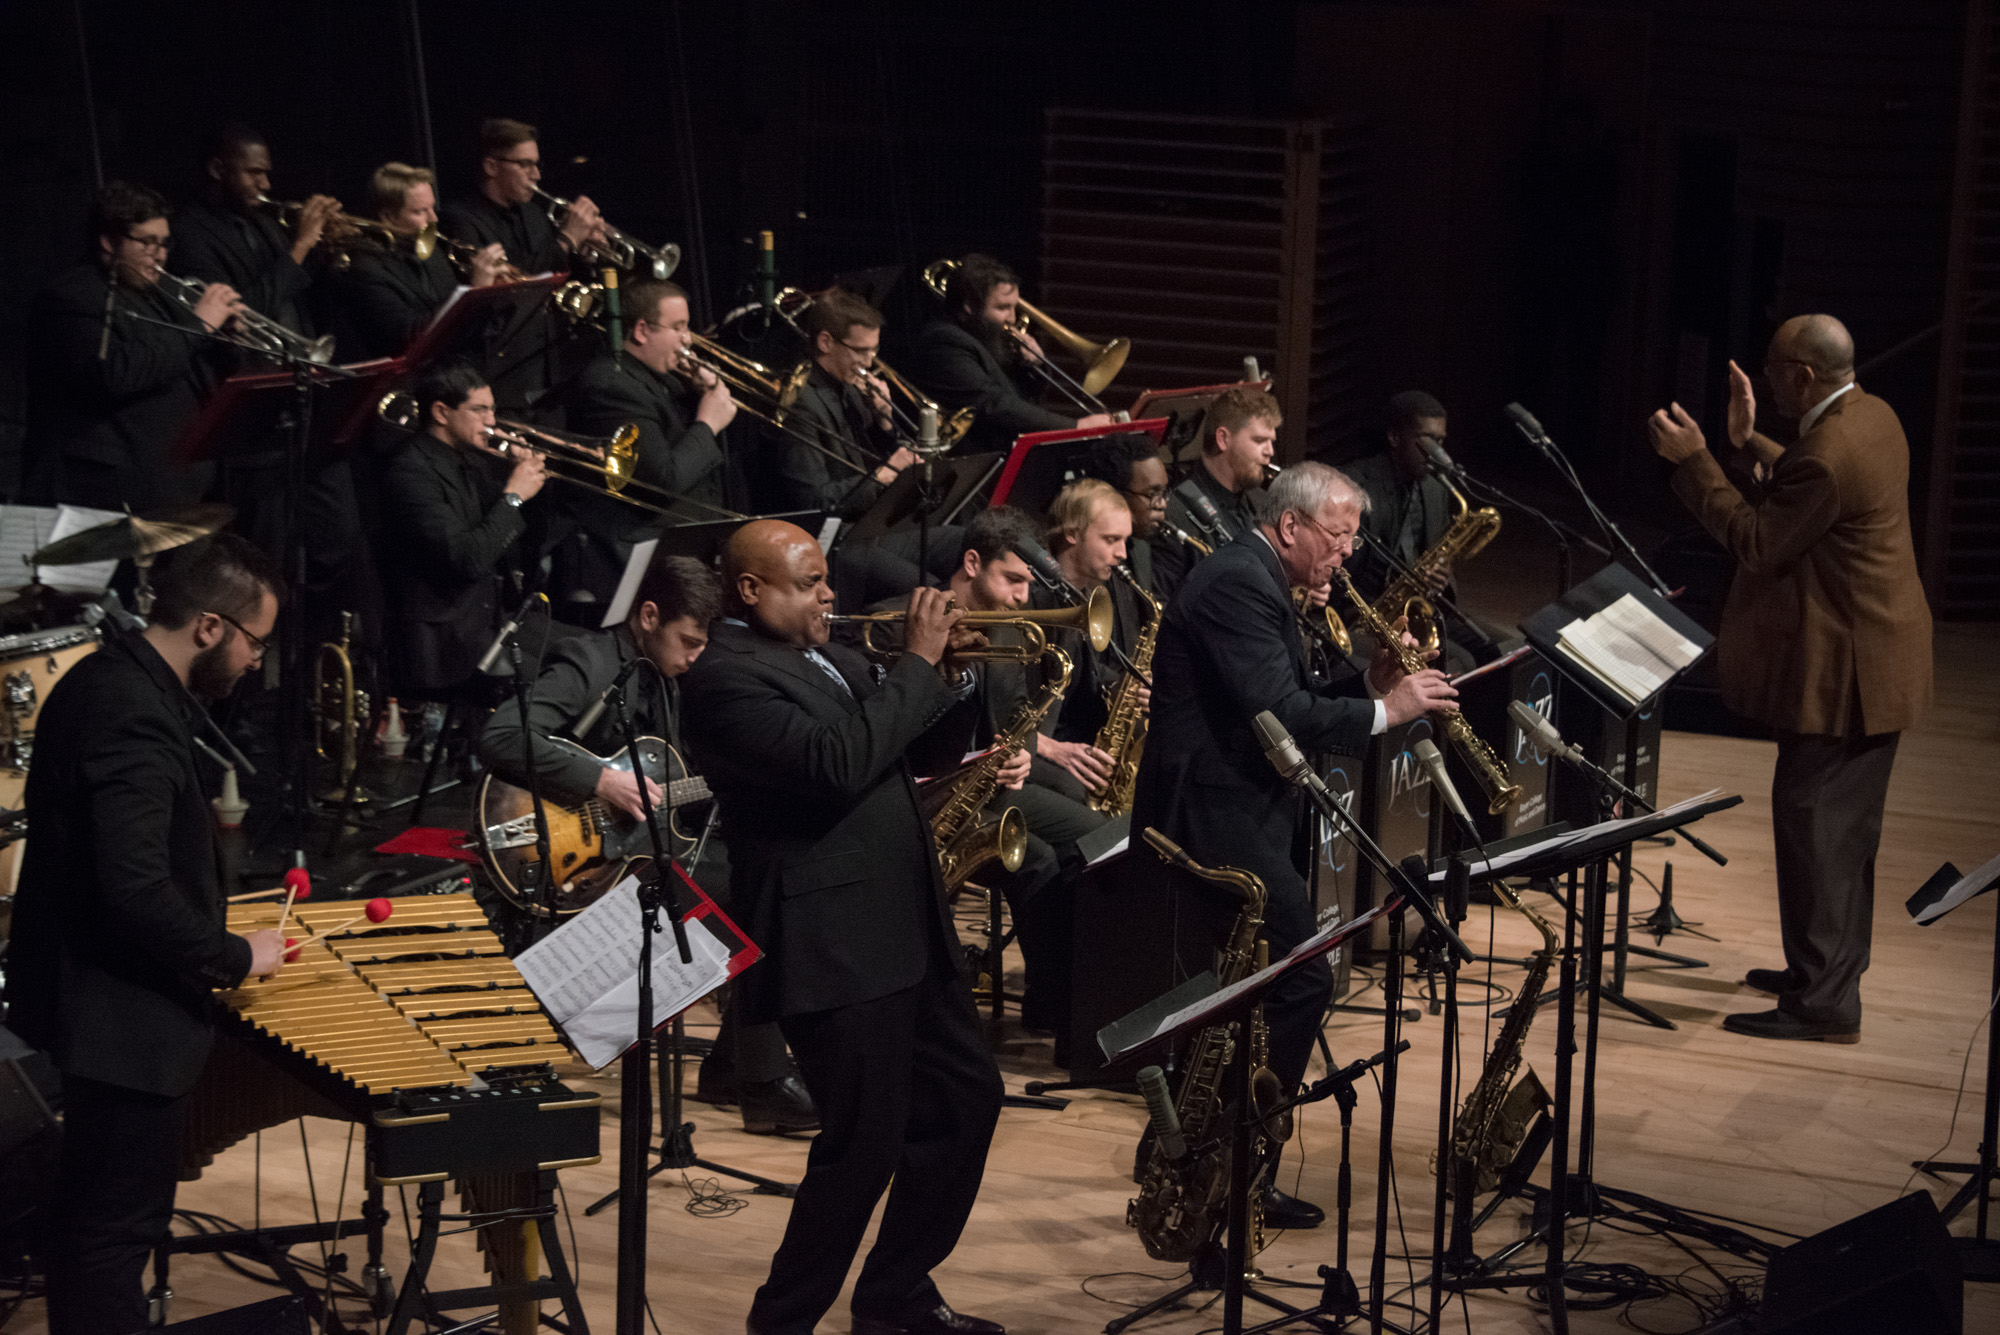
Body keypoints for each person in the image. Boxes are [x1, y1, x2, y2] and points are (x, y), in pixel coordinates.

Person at [681, 520, 1006, 1335]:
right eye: (808, 581)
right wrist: (917, 666)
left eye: (828, 578)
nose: (830, 594)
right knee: (862, 1146)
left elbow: (906, 747)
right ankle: (781, 1320)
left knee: (968, 1098)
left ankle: (896, 1293)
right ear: (751, 590)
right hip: (831, 937)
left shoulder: (832, 654)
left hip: (905, 921)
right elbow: (834, 765)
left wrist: (952, 681)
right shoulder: (722, 678)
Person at [1131, 462, 1458, 1229]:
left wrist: (1368, 686)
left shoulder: (1258, 576)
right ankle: (1231, 1165)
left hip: (1241, 800)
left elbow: (1289, 697)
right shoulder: (1238, 584)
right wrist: (1387, 713)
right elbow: (1276, 710)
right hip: (1208, 811)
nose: (1347, 554)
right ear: (1291, 526)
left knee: (1243, 993)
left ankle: (1192, 1154)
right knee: (1298, 979)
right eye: (1339, 537)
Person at [3, 533, 288, 1335]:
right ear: (209, 626)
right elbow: (130, 888)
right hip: (121, 1019)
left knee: (95, 1225)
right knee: (109, 1233)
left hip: (105, 1004)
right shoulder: (128, 710)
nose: (256, 661)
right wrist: (234, 955)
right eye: (254, 640)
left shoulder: (112, 678)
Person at [1647, 314, 1932, 1042]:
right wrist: (1746, 446)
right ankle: (1825, 972)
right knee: (1842, 835)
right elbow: (1808, 480)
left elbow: (1759, 538)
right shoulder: (1874, 416)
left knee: (1814, 828)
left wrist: (1698, 460)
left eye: (1773, 367)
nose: (1765, 378)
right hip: (1876, 661)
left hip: (1847, 676)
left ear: (1803, 376)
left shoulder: (1830, 452)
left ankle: (1823, 1004)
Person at [476, 551, 815, 1134]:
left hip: (642, 849)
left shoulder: (671, 679)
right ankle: (755, 1080)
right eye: (687, 641)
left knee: (773, 882)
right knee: (759, 894)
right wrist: (600, 779)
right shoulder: (588, 661)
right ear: (649, 615)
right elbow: (503, 735)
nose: (696, 655)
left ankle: (738, 1067)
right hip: (578, 857)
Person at [23, 181, 243, 511]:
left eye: (164, 244)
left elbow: (191, 364)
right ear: (109, 241)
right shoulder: (70, 297)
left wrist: (226, 340)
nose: (159, 256)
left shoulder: (162, 295)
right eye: (147, 243)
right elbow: (112, 373)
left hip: (182, 486)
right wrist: (198, 325)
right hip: (111, 495)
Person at [551, 278, 735, 617]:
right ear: (641, 330)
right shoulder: (612, 384)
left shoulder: (661, 381)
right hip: (628, 564)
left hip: (675, 555)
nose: (687, 340)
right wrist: (708, 422)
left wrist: (699, 395)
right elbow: (660, 482)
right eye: (678, 327)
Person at [378, 360, 547, 695]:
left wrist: (526, 478)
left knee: (589, 653)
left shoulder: (469, 463)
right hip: (447, 647)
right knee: (570, 672)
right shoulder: (409, 472)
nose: (492, 422)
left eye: (493, 410)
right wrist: (513, 496)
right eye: (480, 410)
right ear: (441, 412)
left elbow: (518, 536)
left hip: (488, 623)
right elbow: (467, 559)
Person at [439, 118, 603, 415]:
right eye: (525, 165)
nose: (537, 175)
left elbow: (556, 280)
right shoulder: (460, 220)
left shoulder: (534, 214)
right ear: (491, 167)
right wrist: (566, 241)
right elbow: (514, 285)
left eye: (537, 164)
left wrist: (586, 253)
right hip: (502, 376)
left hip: (549, 370)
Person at [1341, 391, 1498, 672]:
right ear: (1394, 438)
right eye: (1425, 441)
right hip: (1368, 616)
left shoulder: (1435, 486)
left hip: (1419, 607)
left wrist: (1441, 577)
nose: (1437, 453)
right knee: (1458, 663)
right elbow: (1339, 570)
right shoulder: (1354, 486)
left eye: (1440, 441)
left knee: (1494, 648)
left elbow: (1438, 553)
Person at [904, 252, 1111, 454]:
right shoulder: (944, 342)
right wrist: (1075, 426)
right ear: (969, 306)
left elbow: (1023, 398)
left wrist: (1033, 366)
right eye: (1003, 308)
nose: (1013, 318)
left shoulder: (985, 338)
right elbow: (994, 405)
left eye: (1015, 307)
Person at [326, 161, 508, 362]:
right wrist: (474, 293)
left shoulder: (432, 252)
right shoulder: (363, 269)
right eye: (420, 211)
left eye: (432, 208)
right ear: (388, 217)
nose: (434, 219)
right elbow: (409, 338)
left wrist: (493, 295)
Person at [169, 122, 330, 342]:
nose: (265, 184)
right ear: (217, 170)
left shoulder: (263, 223)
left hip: (299, 361)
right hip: (250, 368)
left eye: (265, 173)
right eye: (254, 172)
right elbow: (240, 315)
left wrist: (323, 249)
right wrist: (301, 245)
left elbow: (292, 288)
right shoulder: (188, 233)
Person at [1157, 384, 1280, 593]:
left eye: (1271, 441)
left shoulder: (1262, 502)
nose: (1270, 451)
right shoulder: (1174, 514)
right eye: (1260, 440)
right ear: (1223, 439)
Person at [1078, 434, 1176, 601]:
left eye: (1163, 493)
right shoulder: (1088, 558)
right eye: (1152, 494)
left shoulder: (1141, 546)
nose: (1162, 504)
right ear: (1116, 494)